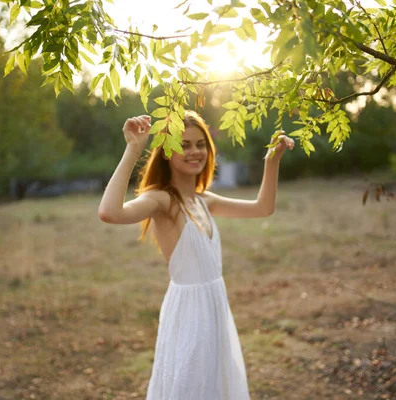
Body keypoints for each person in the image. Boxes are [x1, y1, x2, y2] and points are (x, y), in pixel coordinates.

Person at [98, 110, 294, 400]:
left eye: (200, 144)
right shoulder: (162, 199)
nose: (194, 151)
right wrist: (133, 149)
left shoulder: (205, 200)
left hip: (215, 307)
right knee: (189, 388)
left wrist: (271, 161)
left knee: (215, 386)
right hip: (189, 314)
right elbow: (109, 213)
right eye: (184, 144)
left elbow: (263, 208)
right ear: (167, 152)